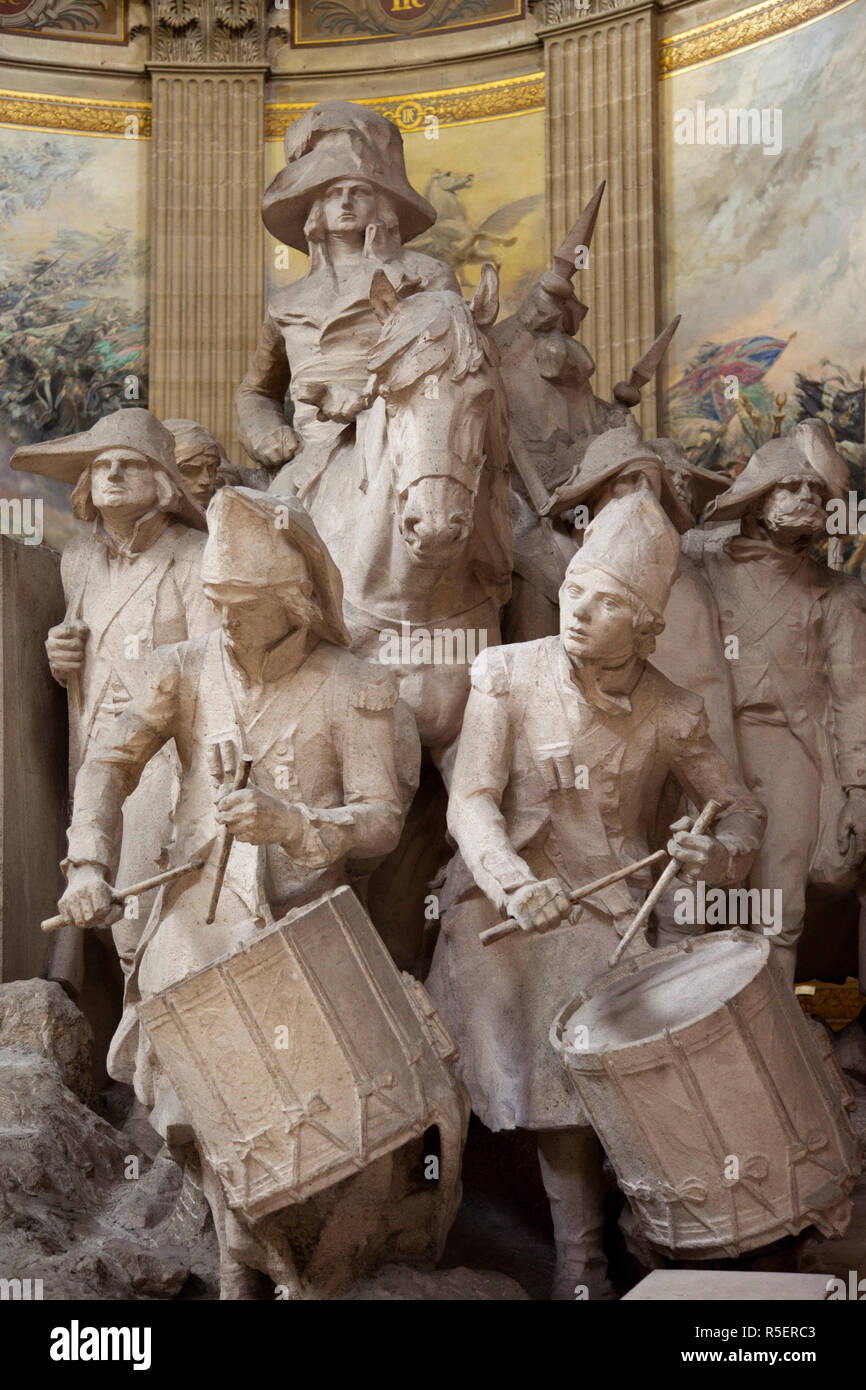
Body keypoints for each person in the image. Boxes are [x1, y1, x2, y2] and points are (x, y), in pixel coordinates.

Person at [55, 486, 421, 1294]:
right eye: (214, 600)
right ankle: (242, 1249)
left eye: (240, 605)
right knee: (194, 1027)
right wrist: (87, 864)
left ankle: (263, 1250)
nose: (221, 619)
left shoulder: (356, 683)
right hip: (196, 909)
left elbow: (383, 820)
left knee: (312, 1088)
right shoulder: (179, 670)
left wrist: (295, 825)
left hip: (306, 914)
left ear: (292, 600)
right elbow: (107, 767)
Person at [426, 489, 765, 1299]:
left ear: (645, 626)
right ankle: (547, 1249)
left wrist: (712, 852)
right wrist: (512, 882)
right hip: (499, 903)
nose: (578, 611)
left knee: (621, 1025)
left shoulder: (673, 712)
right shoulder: (506, 675)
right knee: (526, 1003)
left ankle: (623, 1238)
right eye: (575, 588)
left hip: (613, 910)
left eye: (608, 603)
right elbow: (469, 799)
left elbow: (741, 808)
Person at [12, 407, 215, 991]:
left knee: (135, 911)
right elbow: (79, 651)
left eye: (131, 464)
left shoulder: (195, 558)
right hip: (93, 749)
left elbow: (212, 670)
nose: (113, 474)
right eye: (101, 465)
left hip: (164, 757)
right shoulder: (76, 561)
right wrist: (61, 660)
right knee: (95, 906)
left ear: (163, 483)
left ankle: (152, 1048)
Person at [700, 423, 866, 984]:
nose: (807, 500)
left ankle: (775, 1048)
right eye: (792, 487)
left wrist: (859, 789)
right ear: (758, 496)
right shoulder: (701, 571)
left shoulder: (837, 596)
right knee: (692, 901)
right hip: (701, 745)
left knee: (776, 905)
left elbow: (853, 698)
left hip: (789, 749)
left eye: (817, 494)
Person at [235, 101, 460, 494]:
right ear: (315, 208)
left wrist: (365, 398)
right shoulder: (287, 302)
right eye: (332, 193)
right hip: (309, 458)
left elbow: (450, 370)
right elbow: (257, 390)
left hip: (403, 452)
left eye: (359, 191)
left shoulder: (425, 276)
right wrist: (264, 430)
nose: (344, 202)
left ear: (382, 203)